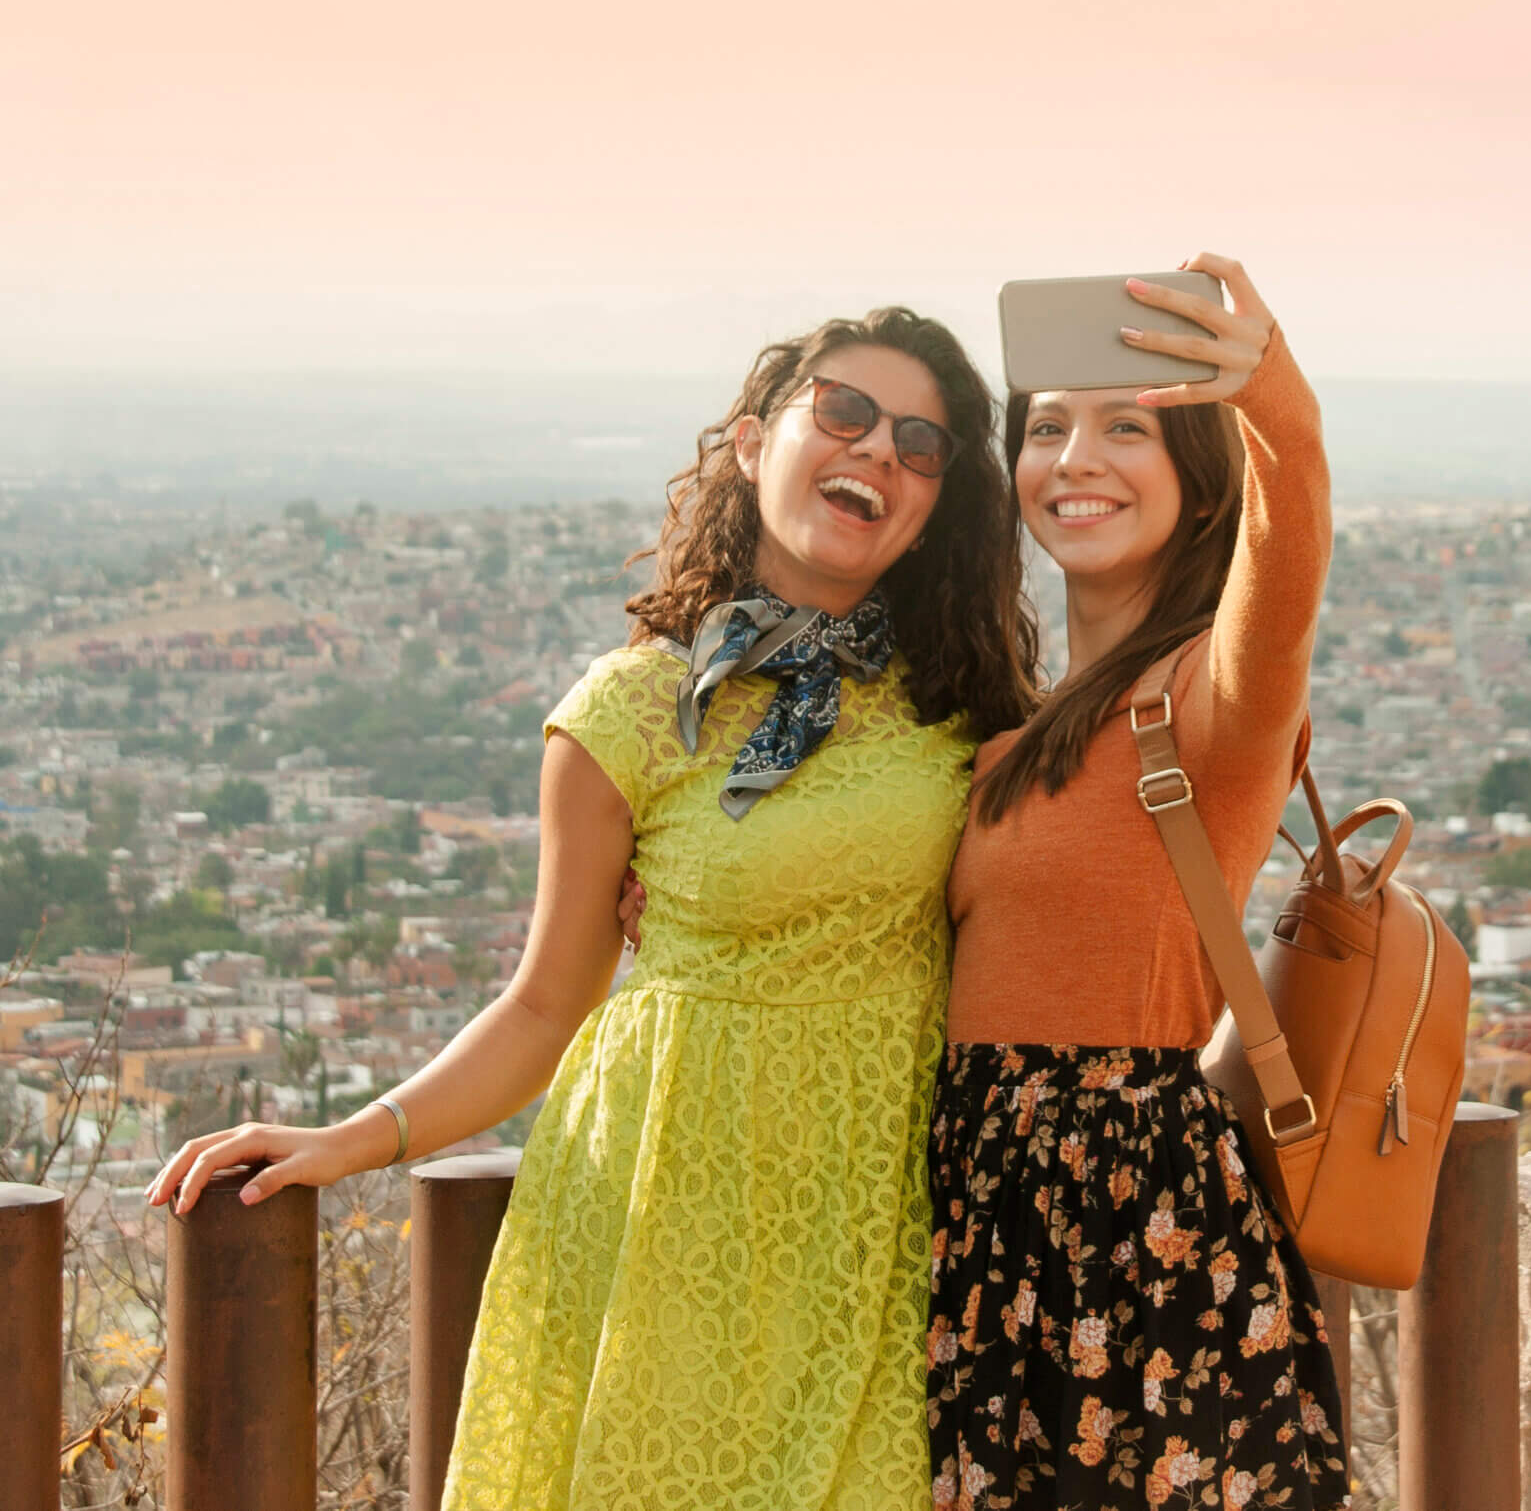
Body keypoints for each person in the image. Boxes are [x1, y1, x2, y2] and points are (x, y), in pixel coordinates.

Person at [148, 307, 1041, 1511]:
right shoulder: (629, 711)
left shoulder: (970, 707)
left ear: (937, 501)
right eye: (843, 411)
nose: (880, 448)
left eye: (922, 443)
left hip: (876, 1225)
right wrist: (346, 1139)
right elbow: (544, 1002)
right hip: (660, 1220)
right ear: (747, 443)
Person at [931, 254, 1348, 1509]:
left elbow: (1291, 550)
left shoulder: (1215, 697)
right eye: (1046, 425)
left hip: (1139, 1225)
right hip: (988, 1229)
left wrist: (1271, 396)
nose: (1076, 458)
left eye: (1129, 426)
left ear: (1200, 479)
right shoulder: (1014, 728)